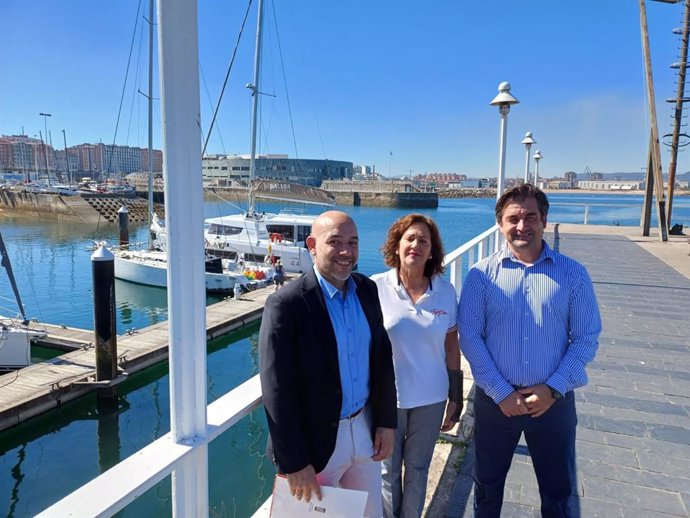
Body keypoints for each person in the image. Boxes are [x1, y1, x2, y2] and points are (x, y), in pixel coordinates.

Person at [458, 184, 601, 518]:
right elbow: (470, 336)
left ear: (544, 221)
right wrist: (500, 392)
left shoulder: (573, 274)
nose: (522, 226)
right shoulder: (480, 276)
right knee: (487, 490)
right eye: (513, 219)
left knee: (557, 492)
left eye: (530, 217)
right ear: (500, 224)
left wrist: (553, 389)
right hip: (495, 404)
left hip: (553, 404)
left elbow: (585, 337)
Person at [259, 210, 397, 518]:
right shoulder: (287, 304)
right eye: (335, 242)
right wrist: (294, 462)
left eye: (353, 242)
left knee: (369, 513)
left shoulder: (366, 290)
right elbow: (276, 389)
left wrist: (387, 421)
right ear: (312, 245)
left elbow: (382, 359)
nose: (346, 252)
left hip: (364, 430)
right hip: (316, 445)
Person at [371, 214, 463, 518]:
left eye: (424, 240)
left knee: (418, 469)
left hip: (431, 398)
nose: (416, 245)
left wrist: (456, 394)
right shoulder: (375, 288)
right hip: (388, 401)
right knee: (387, 471)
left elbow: (451, 345)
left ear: (432, 250)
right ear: (396, 246)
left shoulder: (446, 292)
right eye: (409, 238)